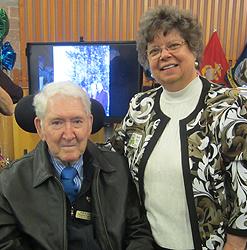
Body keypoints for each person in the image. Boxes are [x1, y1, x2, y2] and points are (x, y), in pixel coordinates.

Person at [109, 6, 247, 250]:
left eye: (173, 45)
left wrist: (236, 244)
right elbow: (113, 158)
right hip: (148, 244)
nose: (164, 55)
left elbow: (246, 181)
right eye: (154, 50)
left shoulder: (227, 106)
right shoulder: (140, 106)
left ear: (193, 49)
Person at [0, 81, 154, 250]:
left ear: (89, 124)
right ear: (40, 127)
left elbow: (138, 233)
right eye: (57, 122)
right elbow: (6, 244)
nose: (69, 134)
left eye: (77, 121)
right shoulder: (10, 182)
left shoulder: (118, 169)